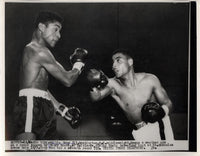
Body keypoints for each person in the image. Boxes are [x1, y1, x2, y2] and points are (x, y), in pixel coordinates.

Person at [13, 11, 88, 140]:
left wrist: (62, 110)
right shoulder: (36, 50)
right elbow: (68, 79)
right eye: (56, 29)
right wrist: (78, 64)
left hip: (43, 105)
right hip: (30, 106)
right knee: (25, 151)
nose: (59, 35)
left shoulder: (43, 52)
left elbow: (39, 90)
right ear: (42, 27)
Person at [87, 49, 174, 141]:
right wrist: (94, 84)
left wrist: (161, 112)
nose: (114, 66)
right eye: (112, 62)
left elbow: (168, 103)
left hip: (160, 124)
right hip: (140, 131)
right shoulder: (114, 85)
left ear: (130, 62)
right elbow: (96, 96)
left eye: (118, 60)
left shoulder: (150, 79)